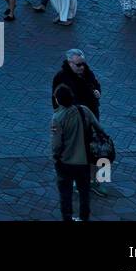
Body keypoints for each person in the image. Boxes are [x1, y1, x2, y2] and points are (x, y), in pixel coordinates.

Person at [51, 84, 95, 222]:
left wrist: (55, 157)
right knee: (84, 192)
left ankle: (68, 218)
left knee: (66, 194)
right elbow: (99, 128)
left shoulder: (57, 117)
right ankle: (84, 217)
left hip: (66, 162)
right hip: (84, 161)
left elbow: (56, 144)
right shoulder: (84, 110)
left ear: (57, 100)